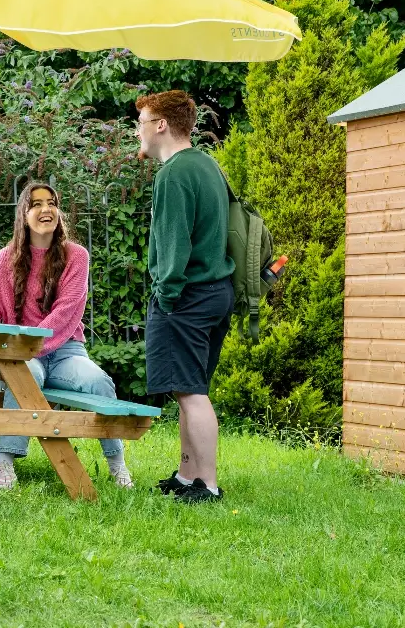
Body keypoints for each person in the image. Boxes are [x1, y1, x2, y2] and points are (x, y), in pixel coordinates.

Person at [0, 181, 134, 490]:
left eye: (51, 203)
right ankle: (4, 462)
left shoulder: (77, 256)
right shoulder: (5, 259)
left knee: (100, 381)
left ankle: (117, 464)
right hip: (19, 353)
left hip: (66, 352)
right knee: (24, 375)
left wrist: (34, 344)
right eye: (36, 204)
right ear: (23, 214)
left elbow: (67, 311)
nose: (46, 209)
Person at [135, 89, 235, 503]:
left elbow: (173, 245)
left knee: (192, 393)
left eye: (141, 122)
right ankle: (187, 475)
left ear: (161, 126)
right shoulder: (207, 165)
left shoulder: (174, 174)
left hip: (187, 296)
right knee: (188, 387)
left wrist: (167, 296)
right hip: (216, 292)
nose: (136, 130)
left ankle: (207, 485)